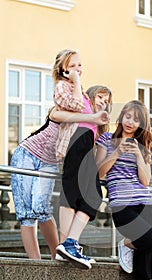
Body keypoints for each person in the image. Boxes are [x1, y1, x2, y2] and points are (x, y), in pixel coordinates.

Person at [10, 87, 111, 260]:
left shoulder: (92, 130)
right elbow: (55, 114)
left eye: (106, 101)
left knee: (42, 210)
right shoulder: (74, 107)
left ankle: (57, 254)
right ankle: (36, 264)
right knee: (26, 214)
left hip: (49, 162)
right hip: (27, 153)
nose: (103, 102)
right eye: (100, 97)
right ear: (89, 97)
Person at [96, 100, 152, 280]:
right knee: (150, 240)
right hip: (121, 203)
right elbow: (100, 171)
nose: (130, 122)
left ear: (141, 123)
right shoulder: (105, 141)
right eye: (127, 116)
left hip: (145, 204)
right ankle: (127, 244)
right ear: (121, 117)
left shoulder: (144, 146)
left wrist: (140, 156)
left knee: (145, 267)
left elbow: (145, 181)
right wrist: (118, 152)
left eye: (136, 119)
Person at [51, 49, 112, 269]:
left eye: (80, 65)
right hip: (75, 142)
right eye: (74, 65)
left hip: (84, 144)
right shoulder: (64, 87)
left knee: (89, 196)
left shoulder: (84, 95)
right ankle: (68, 243)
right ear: (63, 69)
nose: (79, 69)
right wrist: (75, 81)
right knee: (77, 195)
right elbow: (74, 107)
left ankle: (67, 245)